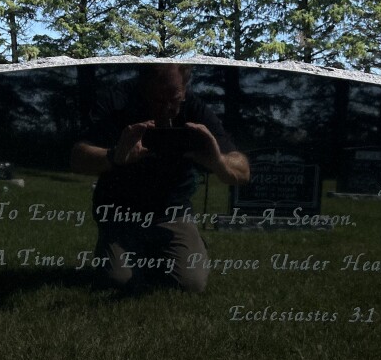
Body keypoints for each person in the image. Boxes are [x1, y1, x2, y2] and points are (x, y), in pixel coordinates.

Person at [70, 64, 250, 293]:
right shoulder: (117, 102)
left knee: (191, 283)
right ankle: (135, 253)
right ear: (143, 86)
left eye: (174, 99)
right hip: (120, 213)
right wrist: (115, 156)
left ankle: (173, 250)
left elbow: (242, 171)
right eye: (157, 100)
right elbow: (77, 157)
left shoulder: (194, 109)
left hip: (172, 212)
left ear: (184, 88)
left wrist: (218, 161)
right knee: (118, 281)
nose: (166, 109)